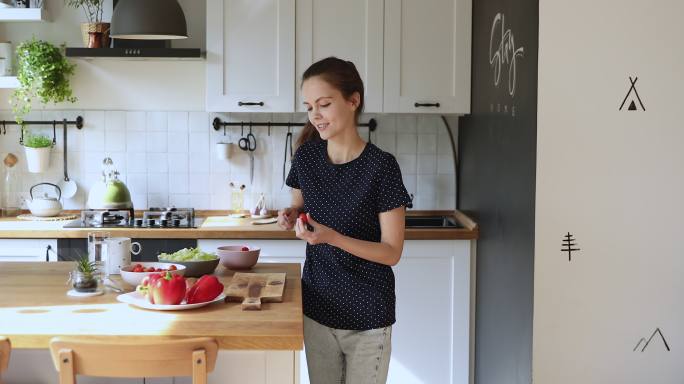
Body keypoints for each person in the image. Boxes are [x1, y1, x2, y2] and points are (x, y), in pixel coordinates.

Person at [277, 57, 412, 384]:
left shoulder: (382, 167)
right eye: (309, 107)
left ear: (354, 101)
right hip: (318, 309)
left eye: (324, 104)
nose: (315, 115)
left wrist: (332, 237)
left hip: (368, 317)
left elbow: (391, 252)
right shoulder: (307, 157)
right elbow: (300, 204)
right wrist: (291, 214)